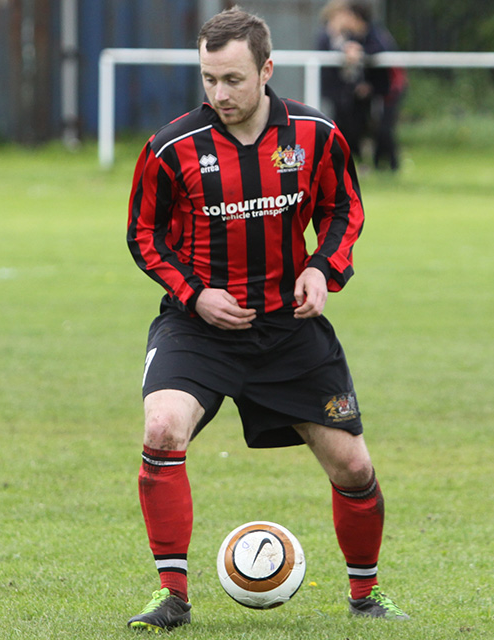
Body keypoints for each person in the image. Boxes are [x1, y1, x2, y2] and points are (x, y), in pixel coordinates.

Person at [124, 6, 408, 632]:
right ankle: (172, 595)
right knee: (162, 427)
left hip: (289, 330)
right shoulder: (172, 147)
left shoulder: (315, 134)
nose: (220, 93)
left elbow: (344, 208)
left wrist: (322, 269)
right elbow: (143, 234)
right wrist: (195, 294)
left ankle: (366, 595)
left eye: (233, 79)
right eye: (209, 79)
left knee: (354, 468)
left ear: (267, 70)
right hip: (198, 328)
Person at [316, 0, 407, 171]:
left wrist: (360, 53)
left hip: (389, 89)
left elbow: (381, 54)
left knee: (383, 128)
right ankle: (362, 164)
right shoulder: (348, 36)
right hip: (363, 90)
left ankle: (389, 166)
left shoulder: (374, 33)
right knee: (354, 125)